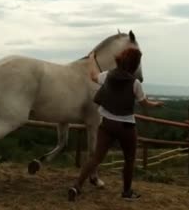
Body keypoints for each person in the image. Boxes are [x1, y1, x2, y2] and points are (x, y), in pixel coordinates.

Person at [68, 46, 164, 201]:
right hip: (126, 126)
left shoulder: (108, 76)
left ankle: (76, 185)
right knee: (129, 159)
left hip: (106, 124)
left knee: (96, 158)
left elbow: (93, 76)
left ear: (120, 60)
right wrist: (156, 104)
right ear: (134, 64)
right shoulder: (135, 83)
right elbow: (144, 103)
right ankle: (126, 192)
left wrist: (92, 58)